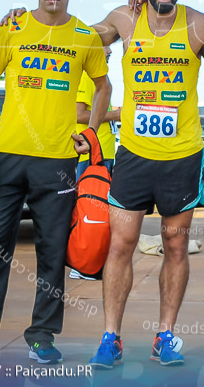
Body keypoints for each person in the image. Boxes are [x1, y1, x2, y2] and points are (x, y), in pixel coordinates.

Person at [0, 0, 110, 367]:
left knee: (52, 252)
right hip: (6, 157)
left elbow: (103, 86)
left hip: (57, 162)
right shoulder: (13, 27)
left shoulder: (85, 38)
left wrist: (90, 132)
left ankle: (42, 335)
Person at [82, 0, 204, 368]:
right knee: (122, 245)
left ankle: (165, 335)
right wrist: (37, 18)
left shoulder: (197, 25)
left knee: (175, 247)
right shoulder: (124, 18)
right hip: (134, 155)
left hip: (181, 158)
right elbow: (80, 38)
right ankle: (110, 336)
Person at [70, 44, 119, 281]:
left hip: (103, 152)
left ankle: (93, 260)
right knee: (87, 209)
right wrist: (115, 115)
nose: (109, 53)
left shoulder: (101, 78)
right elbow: (78, 114)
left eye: (110, 50)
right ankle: (81, 264)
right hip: (90, 154)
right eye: (104, 49)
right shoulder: (86, 77)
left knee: (101, 212)